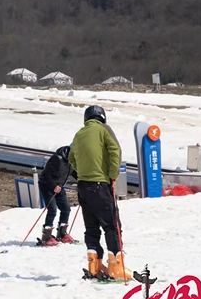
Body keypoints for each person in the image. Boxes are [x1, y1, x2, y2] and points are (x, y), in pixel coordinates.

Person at [68, 105, 132, 280]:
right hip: (100, 185)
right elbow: (115, 150)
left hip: (83, 186)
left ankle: (94, 265)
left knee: (91, 227)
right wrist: (112, 175)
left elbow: (71, 157)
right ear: (102, 118)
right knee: (112, 225)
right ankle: (116, 267)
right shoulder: (104, 130)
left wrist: (81, 171)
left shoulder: (79, 134)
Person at [37, 145, 77, 246]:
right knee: (52, 210)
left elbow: (74, 173)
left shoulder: (72, 160)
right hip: (47, 185)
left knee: (66, 209)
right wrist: (54, 186)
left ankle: (62, 234)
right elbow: (46, 174)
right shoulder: (57, 159)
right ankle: (46, 237)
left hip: (59, 186)